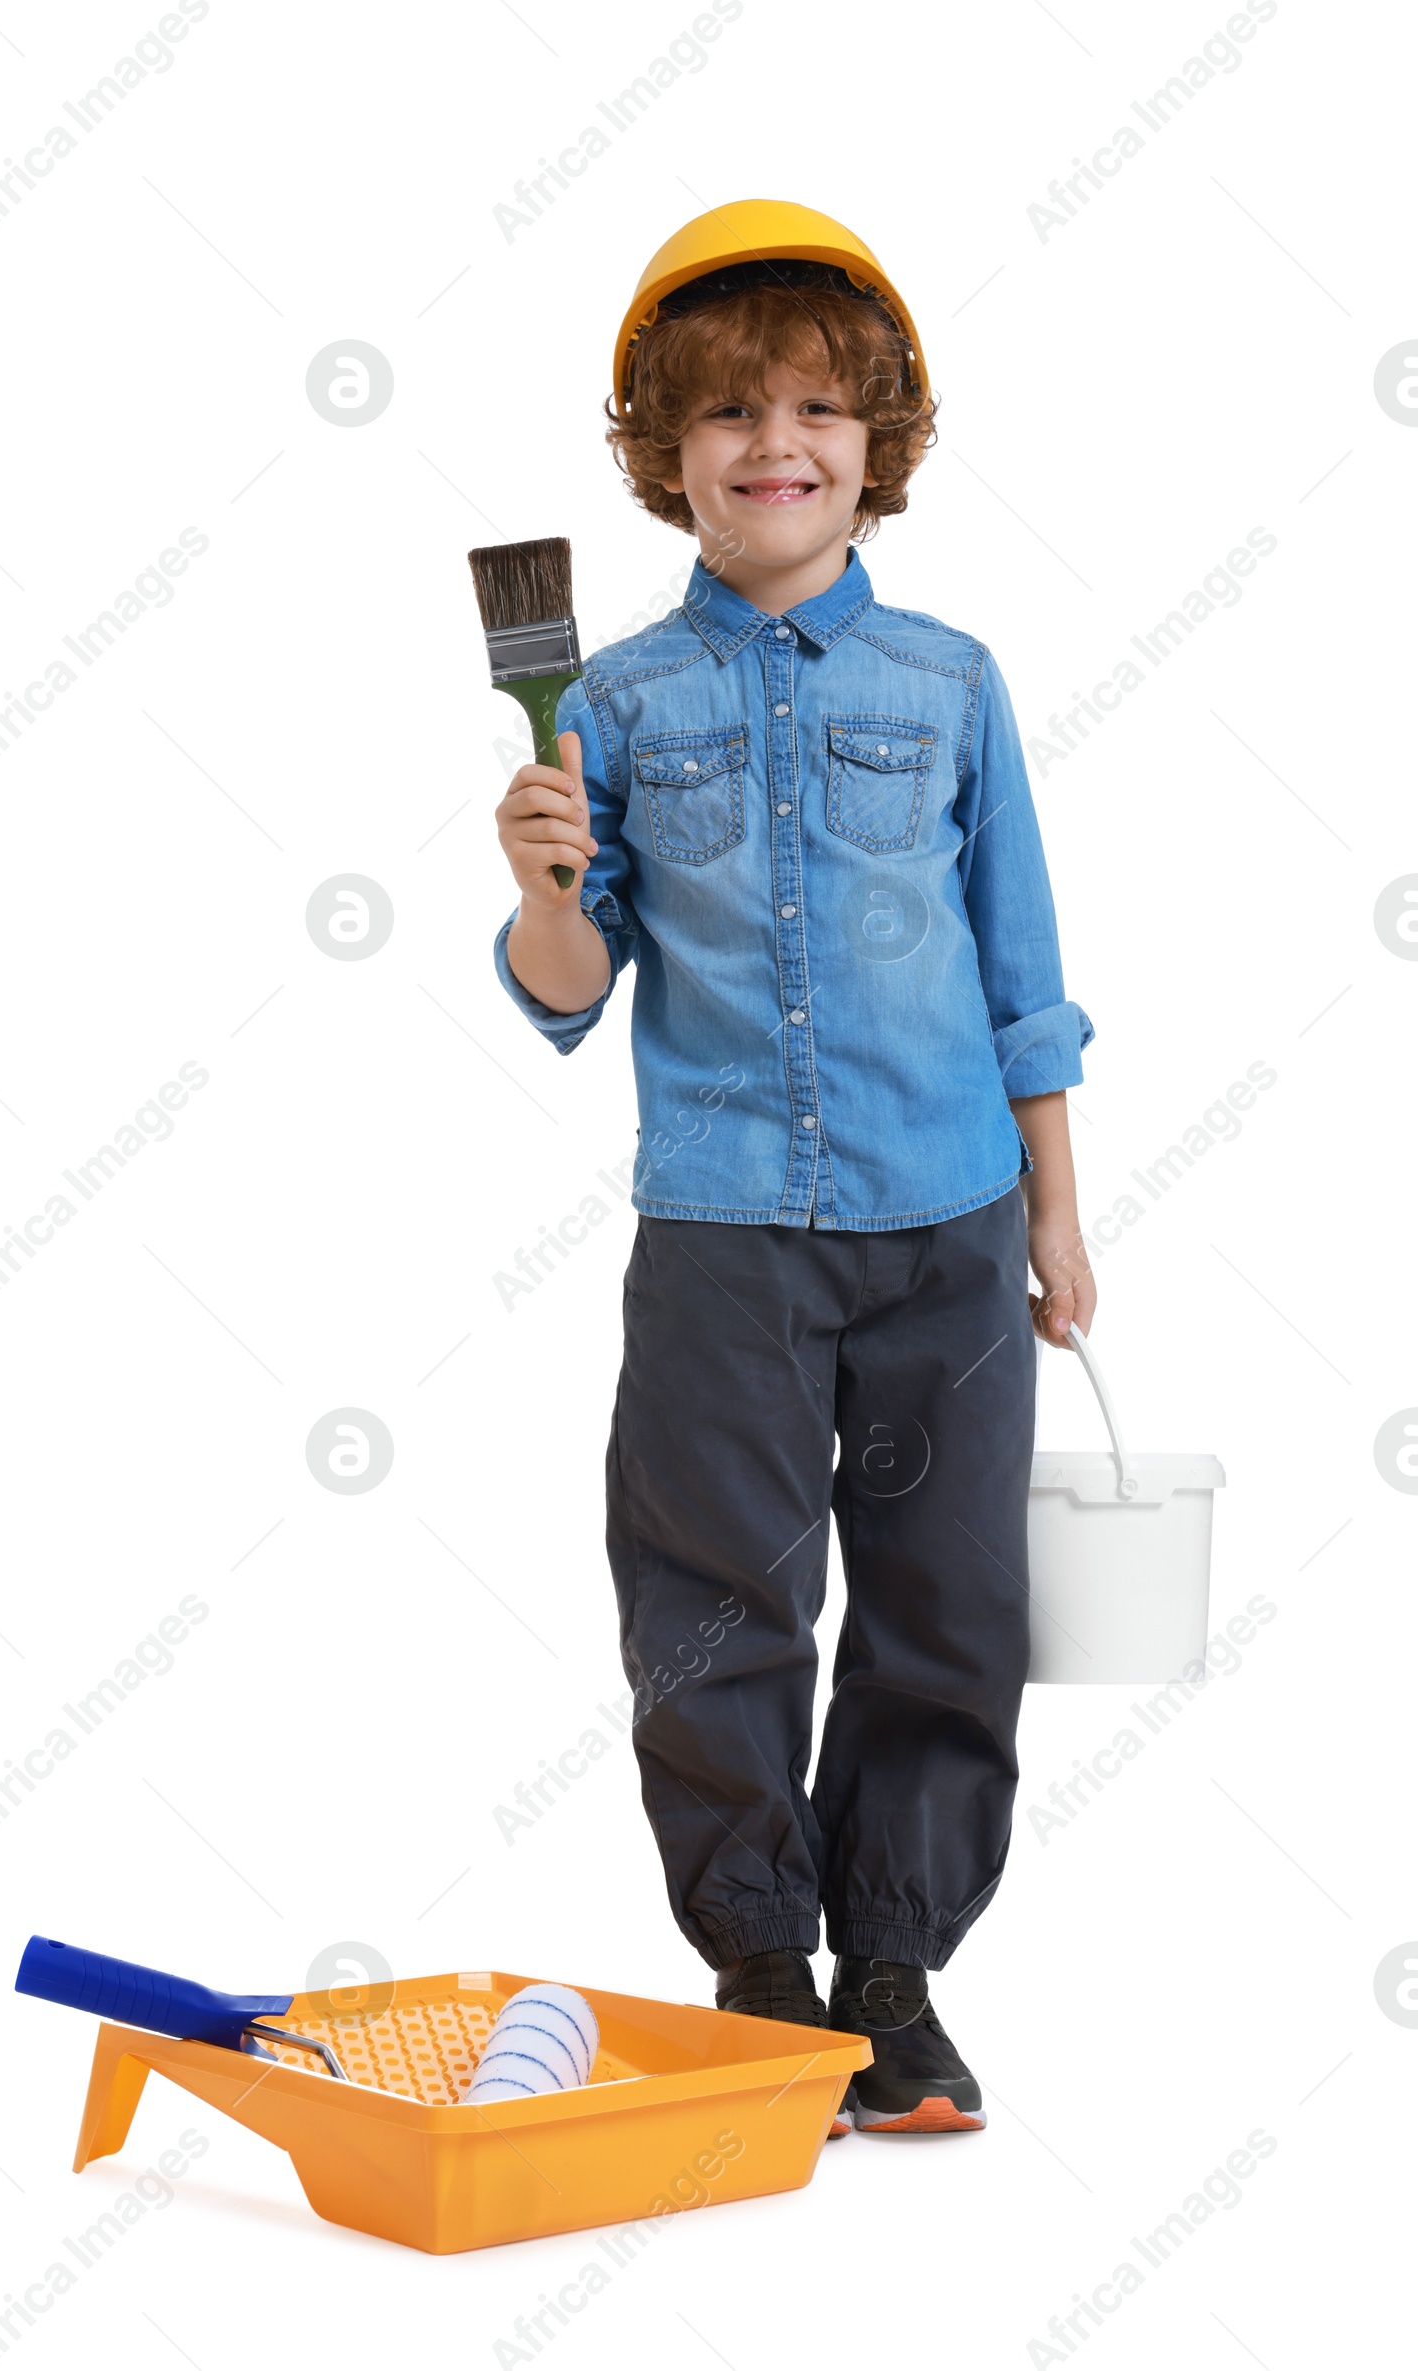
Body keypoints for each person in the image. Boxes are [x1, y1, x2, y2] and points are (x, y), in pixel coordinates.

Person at [492, 202, 1095, 2135]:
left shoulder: (948, 683)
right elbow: (573, 996)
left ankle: (895, 1977)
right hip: (727, 1236)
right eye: (731, 409)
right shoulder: (615, 707)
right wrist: (542, 884)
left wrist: (1059, 1206)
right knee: (711, 1596)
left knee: (949, 1604)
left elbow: (1025, 972)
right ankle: (762, 1970)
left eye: (822, 408)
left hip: (950, 1227)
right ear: (665, 452)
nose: (779, 442)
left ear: (878, 443)